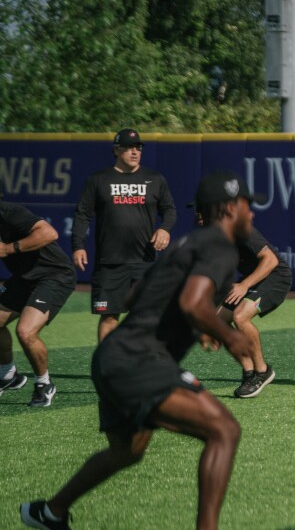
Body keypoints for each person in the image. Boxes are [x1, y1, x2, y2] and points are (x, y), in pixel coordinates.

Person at [21, 170, 261, 530]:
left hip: (110, 357)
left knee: (127, 451)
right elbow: (194, 302)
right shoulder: (219, 245)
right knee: (224, 430)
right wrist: (228, 336)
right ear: (229, 208)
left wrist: (192, 325)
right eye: (247, 206)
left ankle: (50, 512)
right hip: (139, 359)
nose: (252, 214)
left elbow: (134, 296)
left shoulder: (187, 243)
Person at [71, 128, 177, 342]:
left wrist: (164, 228)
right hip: (110, 262)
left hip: (144, 261)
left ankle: (142, 367)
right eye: (129, 147)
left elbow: (170, 210)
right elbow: (83, 214)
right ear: (117, 150)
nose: (135, 151)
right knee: (109, 318)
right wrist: (78, 245)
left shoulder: (154, 179)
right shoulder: (99, 180)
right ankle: (106, 370)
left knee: (148, 317)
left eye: (138, 147)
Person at [0, 189, 76, 408]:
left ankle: (44, 384)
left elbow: (49, 233)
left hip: (54, 275)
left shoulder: (11, 213)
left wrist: (8, 248)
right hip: (23, 278)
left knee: (26, 331)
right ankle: (7, 375)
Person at [217, 224, 292, 398]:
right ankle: (249, 373)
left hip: (276, 276)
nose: (199, 215)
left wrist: (244, 285)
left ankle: (262, 371)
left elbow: (271, 260)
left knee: (240, 316)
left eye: (202, 210)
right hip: (253, 278)